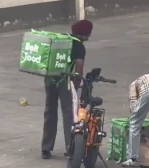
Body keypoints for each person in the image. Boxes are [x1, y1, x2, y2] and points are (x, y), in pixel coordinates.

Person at [41, 20, 93, 159]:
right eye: (88, 34)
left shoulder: (61, 39)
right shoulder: (79, 47)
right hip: (66, 81)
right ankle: (71, 147)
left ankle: (46, 148)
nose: (88, 37)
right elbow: (79, 70)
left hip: (50, 79)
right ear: (84, 34)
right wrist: (74, 88)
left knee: (49, 112)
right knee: (69, 114)